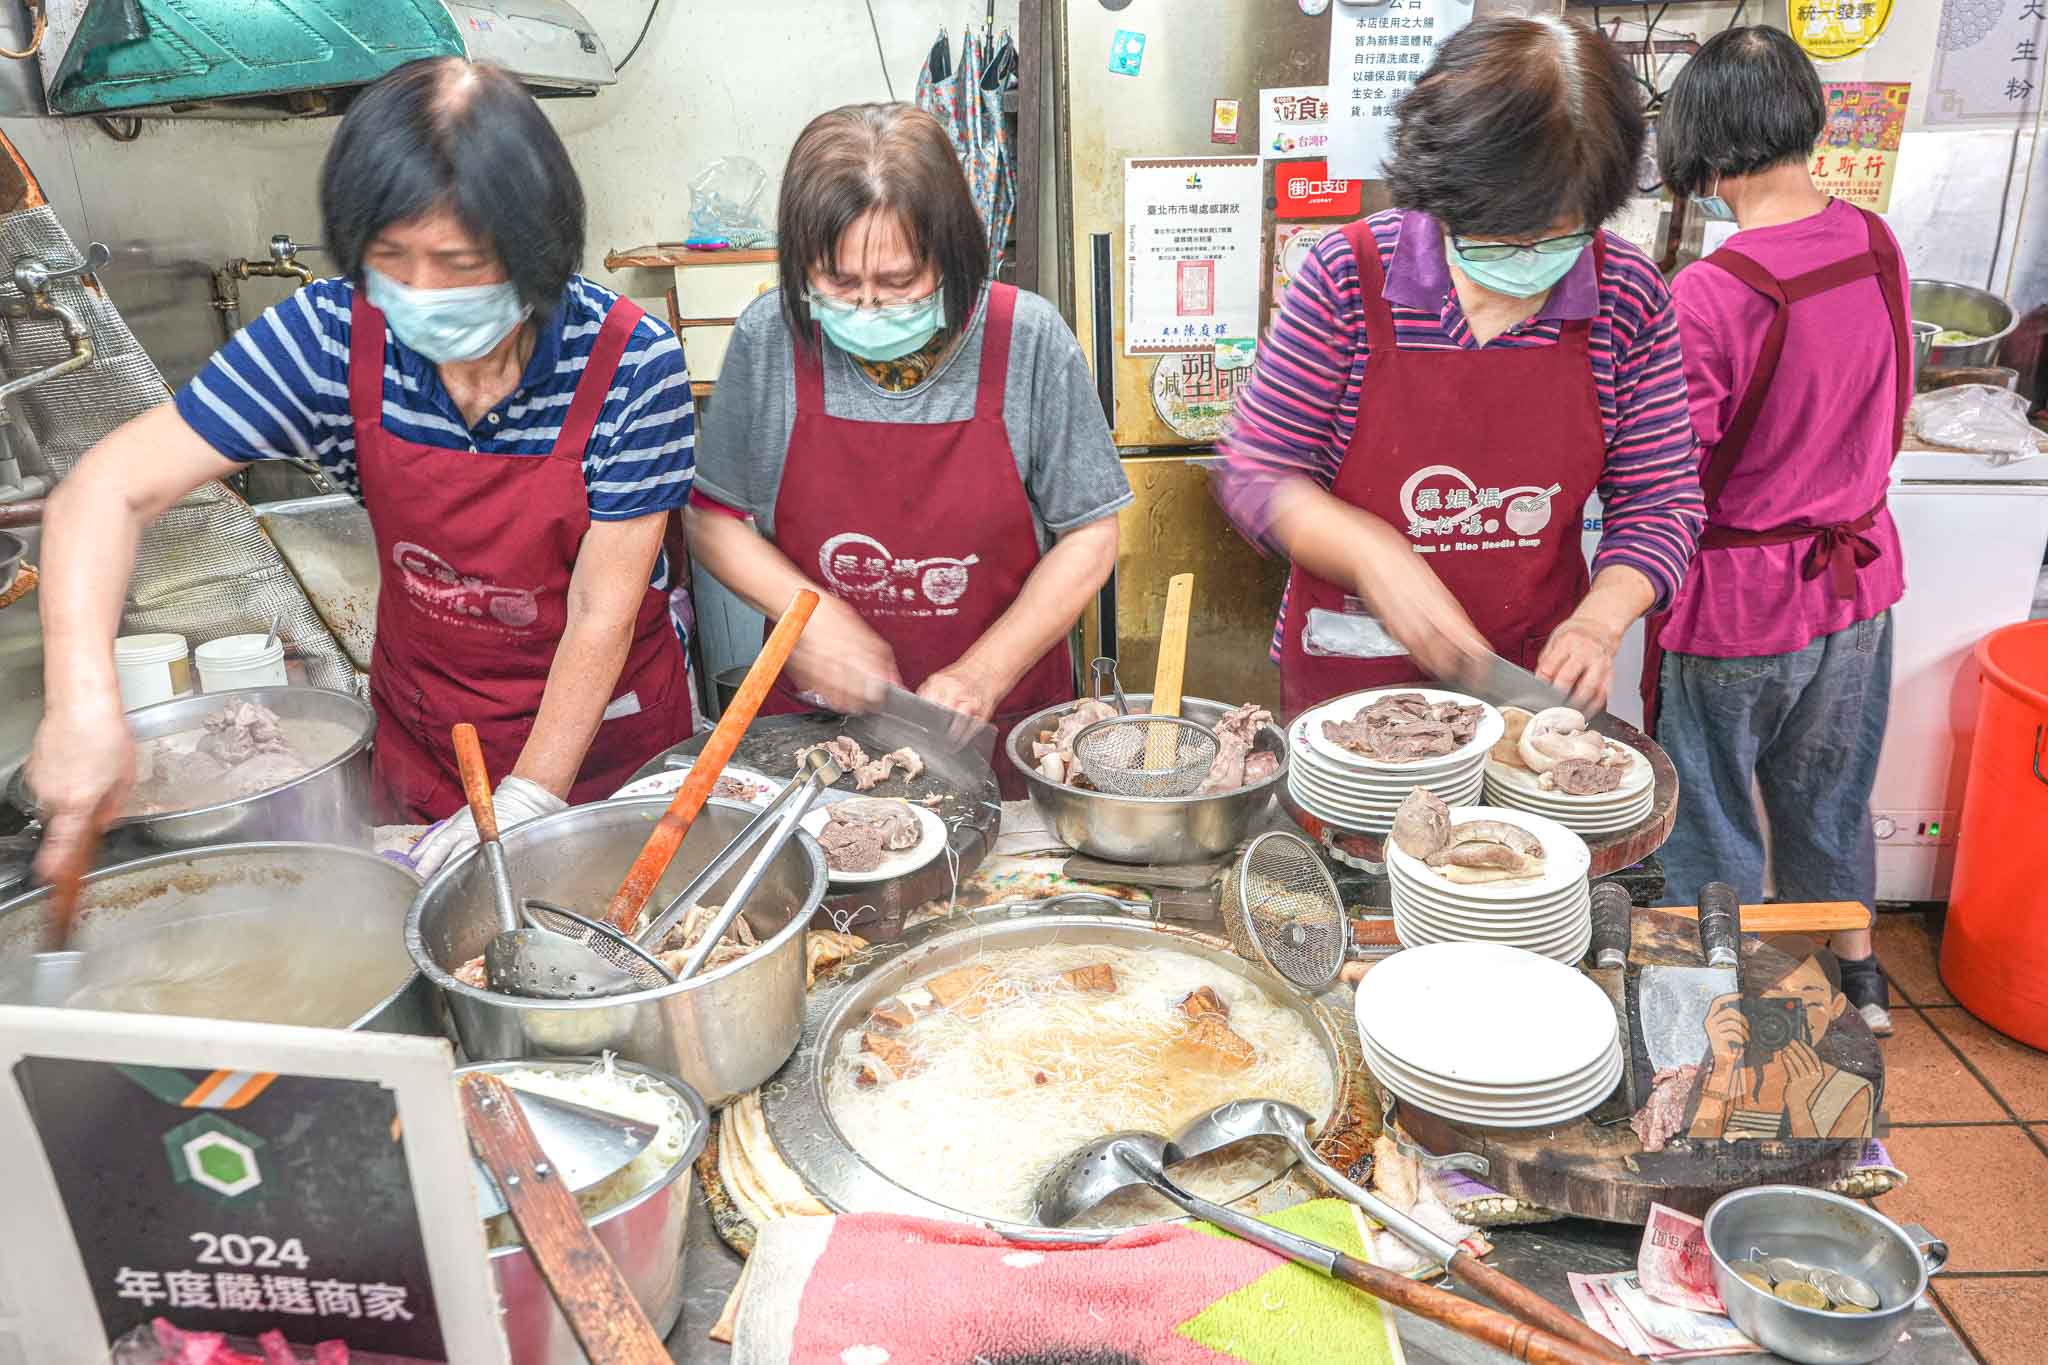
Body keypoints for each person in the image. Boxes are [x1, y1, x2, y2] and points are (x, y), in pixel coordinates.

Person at [29, 59, 696, 878]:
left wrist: (532, 797)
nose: (423, 291)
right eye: (392, 258)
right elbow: (104, 489)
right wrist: (82, 701)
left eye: (461, 262)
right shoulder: (332, 335)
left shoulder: (632, 362)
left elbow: (602, 609)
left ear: (538, 248)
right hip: (430, 740)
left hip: (602, 755)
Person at [1212, 17, 1702, 720]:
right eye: (1494, 236)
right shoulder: (1349, 275)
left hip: (1526, 682)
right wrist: (1376, 556)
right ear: (1440, 194)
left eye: (1553, 235)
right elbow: (1255, 470)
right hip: (1353, 670)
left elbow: (1661, 503)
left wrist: (1600, 620)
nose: (1523, 259)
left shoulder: (1626, 298)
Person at [686, 103, 1128, 793]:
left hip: (1001, 736)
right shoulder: (769, 340)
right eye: (837, 281)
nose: (866, 309)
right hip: (815, 742)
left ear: (953, 256)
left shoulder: (1028, 341)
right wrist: (814, 617)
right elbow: (711, 518)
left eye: (898, 283)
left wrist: (985, 670)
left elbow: (1091, 533)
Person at [1650, 26, 1908, 1035]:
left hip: (1741, 603)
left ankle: (1715, 1014)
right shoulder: (1871, 240)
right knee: (1827, 797)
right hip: (1857, 583)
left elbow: (1672, 469)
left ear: (1702, 143)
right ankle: (1856, 984)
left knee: (1710, 817)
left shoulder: (1710, 295)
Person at [1686, 947, 1877, 1142]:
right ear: (1753, 1004)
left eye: (1809, 994)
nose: (1792, 1017)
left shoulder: (1849, 1092)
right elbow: (1697, 1153)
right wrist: (1722, 1065)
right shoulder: (1733, 1076)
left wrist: (1799, 1106)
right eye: (1777, 996)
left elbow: (1829, 1165)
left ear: (1835, 1007)